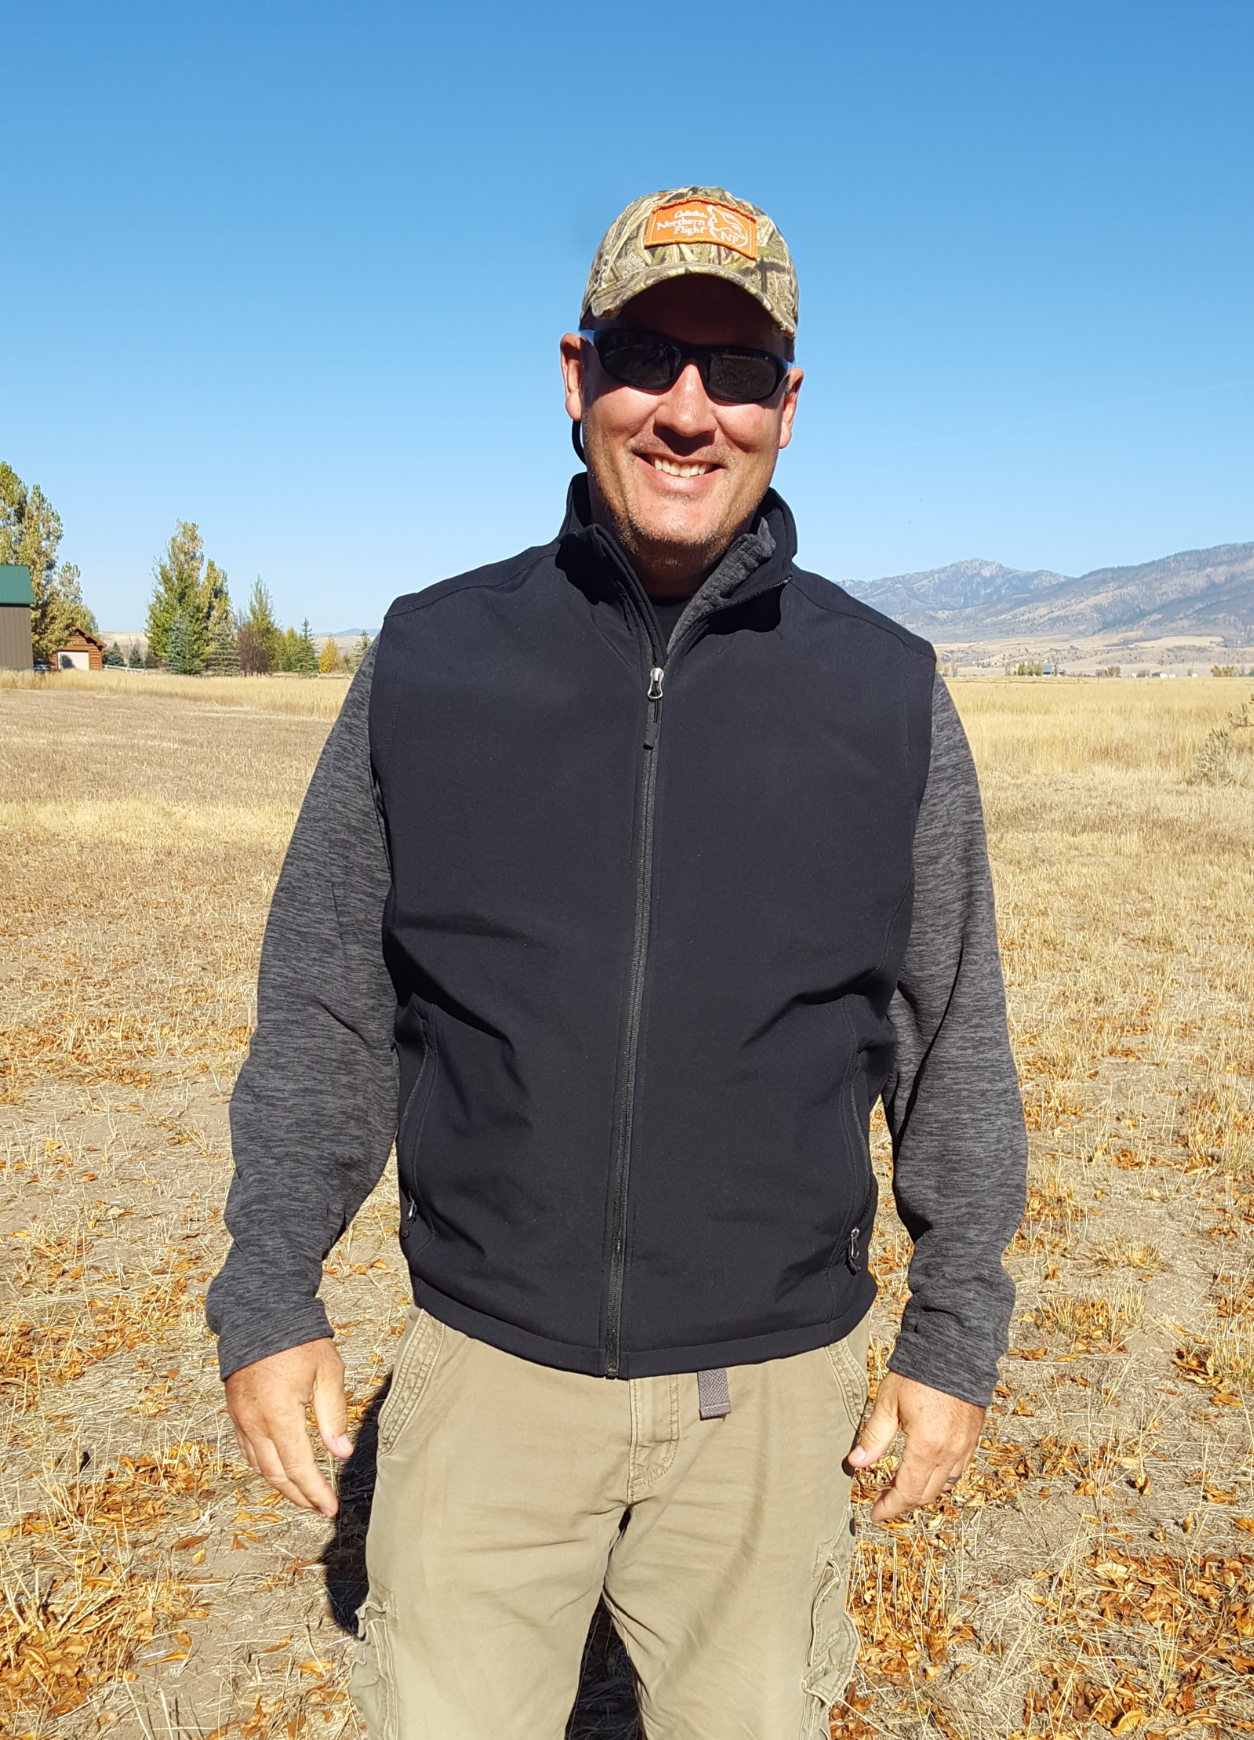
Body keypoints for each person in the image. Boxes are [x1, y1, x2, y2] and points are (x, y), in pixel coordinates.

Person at [208, 185, 1027, 1740]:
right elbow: (326, 998)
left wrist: (952, 1334)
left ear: (786, 408)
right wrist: (268, 1285)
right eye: (651, 354)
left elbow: (950, 1035)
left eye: (734, 372)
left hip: (774, 1404)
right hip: (482, 1373)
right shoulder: (431, 660)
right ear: (576, 373)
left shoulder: (886, 690)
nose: (686, 410)